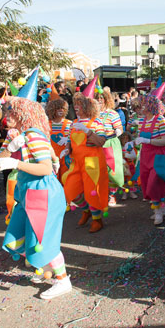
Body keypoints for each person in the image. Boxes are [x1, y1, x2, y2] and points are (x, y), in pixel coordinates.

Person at [0, 97, 71, 300]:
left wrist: (15, 164)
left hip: (44, 194)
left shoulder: (34, 136)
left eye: (11, 112)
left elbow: (45, 169)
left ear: (22, 115)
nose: (7, 116)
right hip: (27, 195)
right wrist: (9, 150)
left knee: (44, 242)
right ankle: (46, 267)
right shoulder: (13, 137)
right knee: (16, 238)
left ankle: (62, 280)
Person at [61, 89, 109, 233]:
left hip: (92, 163)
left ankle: (97, 219)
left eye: (80, 104)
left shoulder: (96, 122)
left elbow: (101, 141)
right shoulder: (74, 122)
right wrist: (67, 148)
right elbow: (71, 140)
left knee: (91, 192)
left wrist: (88, 131)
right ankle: (87, 210)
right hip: (76, 163)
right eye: (75, 104)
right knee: (71, 190)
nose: (76, 107)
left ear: (88, 107)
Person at [134, 89, 165, 225]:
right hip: (145, 156)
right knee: (146, 183)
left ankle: (158, 212)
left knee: (154, 183)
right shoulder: (143, 121)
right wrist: (132, 143)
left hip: (159, 157)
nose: (141, 107)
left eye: (143, 104)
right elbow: (139, 139)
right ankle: (161, 208)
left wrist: (148, 141)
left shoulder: (161, 120)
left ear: (150, 106)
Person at [45, 98, 72, 182]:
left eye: (63, 108)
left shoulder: (70, 124)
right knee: (53, 181)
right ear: (53, 109)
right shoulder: (46, 124)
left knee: (66, 180)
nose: (61, 110)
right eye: (58, 108)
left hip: (65, 157)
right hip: (50, 158)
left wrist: (69, 142)